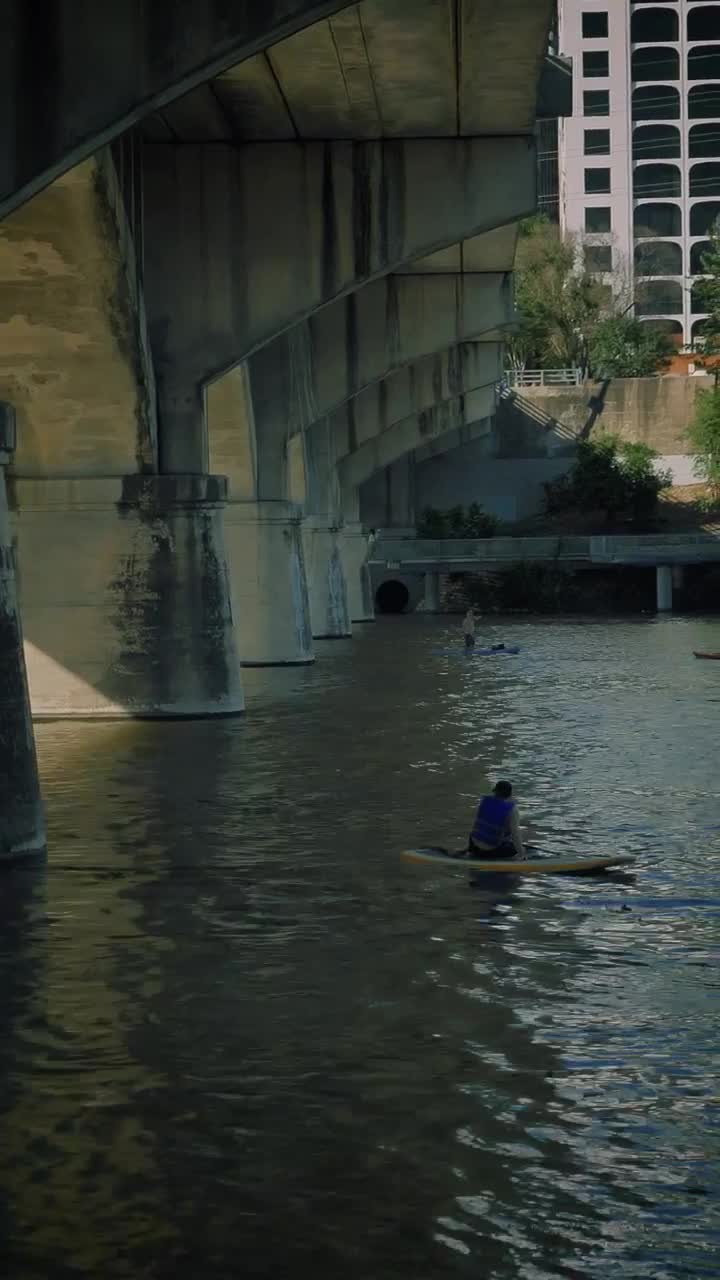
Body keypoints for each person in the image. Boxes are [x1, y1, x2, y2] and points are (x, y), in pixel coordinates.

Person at [466, 780, 524, 859]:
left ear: (495, 791)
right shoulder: (512, 809)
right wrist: (522, 854)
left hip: (473, 846)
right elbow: (515, 834)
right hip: (492, 850)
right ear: (510, 794)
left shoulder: (484, 801)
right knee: (515, 850)